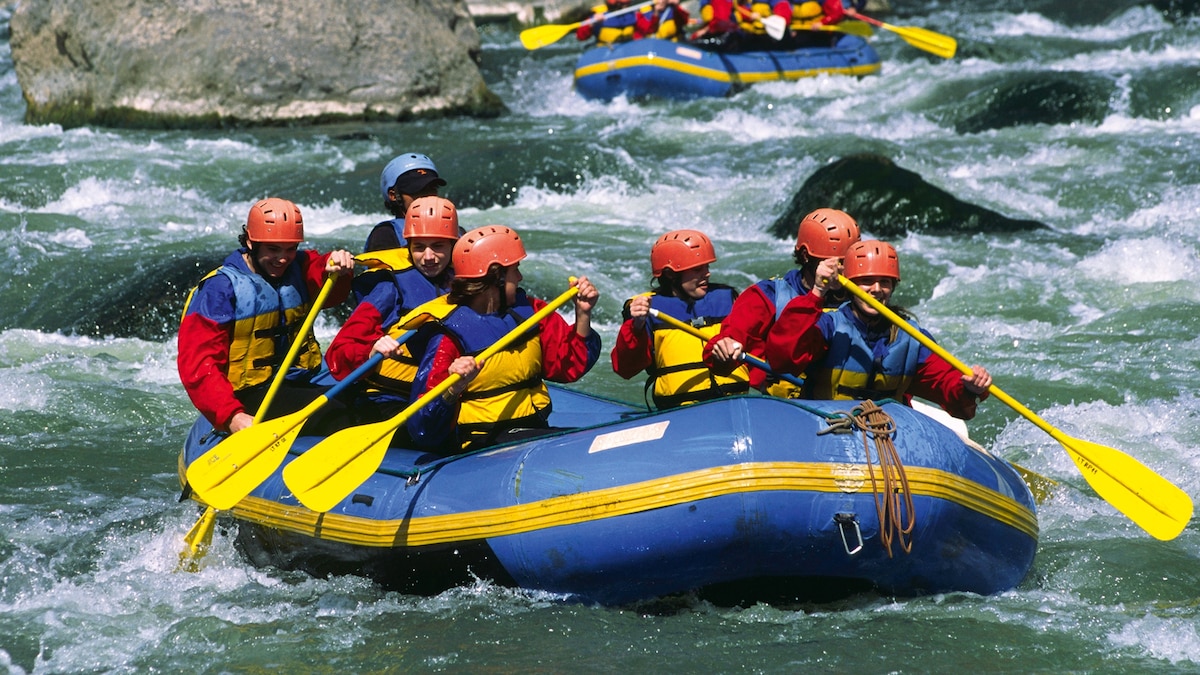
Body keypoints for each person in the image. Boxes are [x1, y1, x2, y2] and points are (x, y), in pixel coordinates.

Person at [405, 225, 601, 453]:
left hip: (531, 429)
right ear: (496, 276)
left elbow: (569, 366)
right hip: (478, 446)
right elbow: (422, 429)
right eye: (514, 269)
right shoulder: (448, 337)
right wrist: (453, 389)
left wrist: (583, 314)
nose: (520, 277)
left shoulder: (530, 312)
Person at [178, 198, 356, 434]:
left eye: (290, 249)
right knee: (339, 413)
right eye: (273, 249)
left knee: (361, 399)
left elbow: (328, 286)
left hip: (295, 381)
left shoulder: (299, 267)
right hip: (248, 396)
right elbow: (198, 363)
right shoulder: (219, 288)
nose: (282, 258)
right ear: (251, 242)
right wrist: (232, 416)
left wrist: (337, 266)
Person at [764, 239, 992, 419]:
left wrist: (969, 387)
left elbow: (950, 391)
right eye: (866, 280)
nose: (876, 289)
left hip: (887, 434)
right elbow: (783, 359)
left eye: (885, 282)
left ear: (893, 288)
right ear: (849, 284)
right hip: (829, 427)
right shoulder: (829, 326)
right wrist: (816, 293)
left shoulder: (910, 337)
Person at [324, 196, 460, 435]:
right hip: (387, 401)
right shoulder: (389, 289)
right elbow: (339, 351)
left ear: (453, 245)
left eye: (438, 246)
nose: (428, 257)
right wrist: (371, 352)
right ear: (408, 246)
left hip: (444, 398)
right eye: (419, 247)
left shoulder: (465, 283)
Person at [704, 207, 860, 397]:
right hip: (782, 406)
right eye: (835, 262)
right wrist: (723, 351)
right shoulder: (766, 296)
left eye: (847, 262)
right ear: (805, 256)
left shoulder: (862, 301)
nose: (842, 270)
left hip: (845, 407)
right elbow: (722, 354)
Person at [611, 230, 749, 409]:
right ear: (670, 275)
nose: (707, 274)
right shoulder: (646, 308)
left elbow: (755, 348)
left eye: (707, 267)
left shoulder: (728, 298)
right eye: (698, 269)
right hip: (680, 410)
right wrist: (636, 327)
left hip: (734, 404)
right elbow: (625, 368)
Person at [363, 152, 447, 253]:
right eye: (417, 190)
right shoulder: (385, 235)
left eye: (432, 188)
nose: (427, 196)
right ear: (393, 195)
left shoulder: (457, 231)